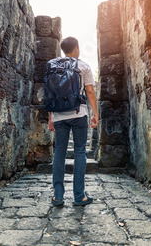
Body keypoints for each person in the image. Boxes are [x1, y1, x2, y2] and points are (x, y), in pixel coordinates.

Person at [48, 36, 98, 206]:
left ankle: (58, 196)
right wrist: (95, 114)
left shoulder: (53, 65)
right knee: (79, 152)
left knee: (59, 153)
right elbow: (90, 91)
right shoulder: (83, 65)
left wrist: (51, 117)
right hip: (79, 113)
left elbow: (50, 94)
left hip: (59, 115)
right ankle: (79, 196)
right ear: (76, 48)